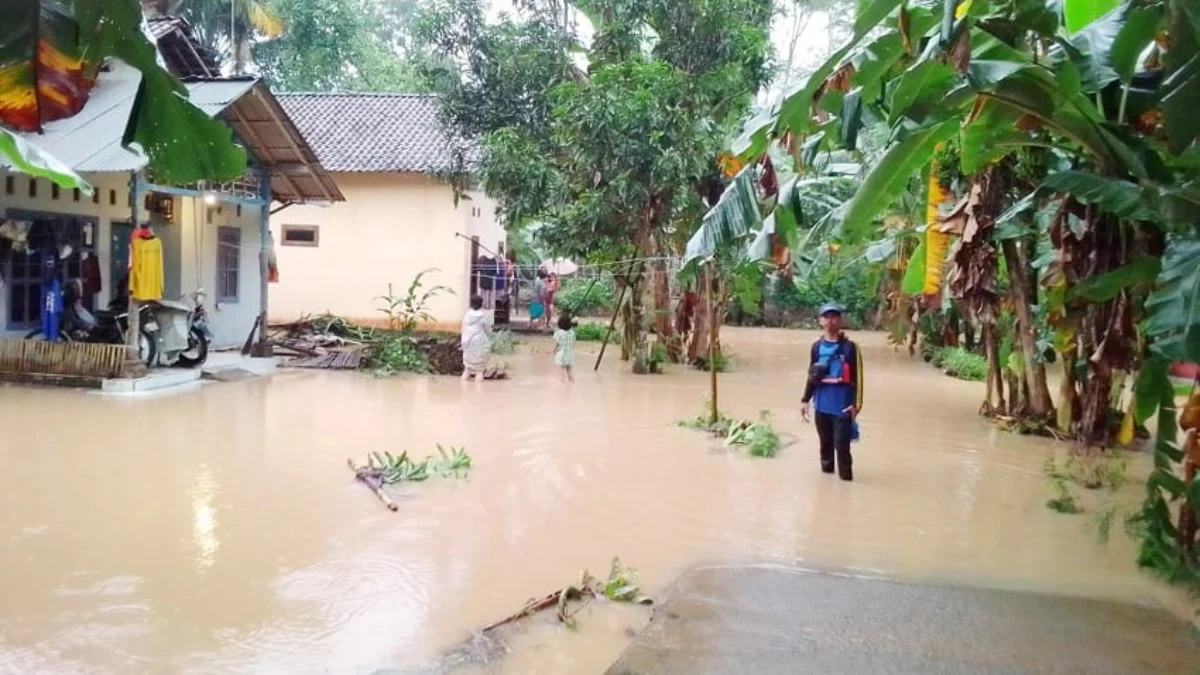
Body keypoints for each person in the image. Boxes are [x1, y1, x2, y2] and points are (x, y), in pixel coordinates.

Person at [801, 303, 863, 481]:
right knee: (825, 447)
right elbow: (812, 375)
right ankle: (826, 482)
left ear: (840, 320)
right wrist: (805, 400)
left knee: (842, 448)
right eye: (827, 317)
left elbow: (858, 378)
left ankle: (845, 482)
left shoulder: (851, 348)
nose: (831, 320)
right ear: (821, 321)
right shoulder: (816, 347)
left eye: (834, 316)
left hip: (843, 408)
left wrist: (857, 406)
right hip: (821, 407)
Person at [461, 294, 492, 382]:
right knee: (479, 372)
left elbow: (463, 329)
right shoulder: (484, 316)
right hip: (480, 344)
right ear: (481, 304)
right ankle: (478, 394)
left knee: (467, 370)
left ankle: (464, 392)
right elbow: (488, 330)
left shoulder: (466, 315)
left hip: (467, 343)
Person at [554, 313, 577, 383]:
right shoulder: (572, 333)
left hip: (562, 354)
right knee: (569, 371)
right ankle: (572, 383)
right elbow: (573, 343)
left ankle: (562, 385)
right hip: (570, 354)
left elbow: (557, 343)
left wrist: (554, 350)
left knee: (561, 371)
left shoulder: (558, 333)